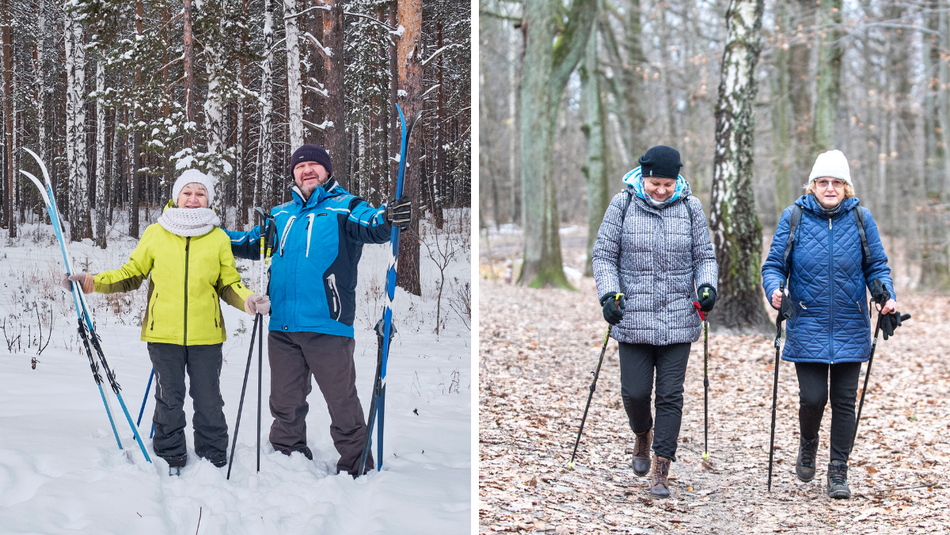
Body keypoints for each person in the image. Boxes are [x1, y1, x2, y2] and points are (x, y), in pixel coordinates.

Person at [63, 169, 269, 473]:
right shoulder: (156, 233)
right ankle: (170, 452)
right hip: (163, 335)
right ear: (176, 197)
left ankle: (213, 452)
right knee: (169, 398)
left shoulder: (217, 237)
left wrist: (248, 300)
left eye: (200, 193)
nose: (193, 199)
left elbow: (228, 283)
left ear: (208, 200)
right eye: (187, 192)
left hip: (206, 336)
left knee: (208, 398)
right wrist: (91, 281)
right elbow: (130, 275)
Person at [225, 144, 411, 477]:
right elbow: (249, 243)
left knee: (342, 402)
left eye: (314, 165)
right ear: (293, 172)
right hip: (282, 327)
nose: (307, 170)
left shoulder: (345, 207)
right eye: (301, 166)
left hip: (328, 325)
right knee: (284, 401)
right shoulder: (280, 215)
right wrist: (206, 233)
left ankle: (356, 465)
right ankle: (287, 453)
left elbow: (374, 225)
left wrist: (388, 217)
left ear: (326, 171)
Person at [761, 149, 903, 499]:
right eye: (822, 182)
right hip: (806, 321)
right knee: (812, 398)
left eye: (836, 182)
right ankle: (808, 442)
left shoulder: (860, 218)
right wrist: (775, 290)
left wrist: (885, 296)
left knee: (844, 402)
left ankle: (838, 469)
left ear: (846, 187)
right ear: (812, 185)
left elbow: (877, 267)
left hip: (850, 323)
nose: (829, 188)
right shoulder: (793, 216)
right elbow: (774, 267)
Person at [591, 145, 718, 498]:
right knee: (635, 393)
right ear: (642, 178)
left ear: (677, 180)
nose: (661, 190)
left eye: (668, 183)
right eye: (655, 183)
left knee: (670, 395)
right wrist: (609, 295)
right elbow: (603, 255)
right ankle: (642, 433)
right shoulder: (623, 204)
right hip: (633, 315)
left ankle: (662, 468)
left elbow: (705, 256)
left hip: (679, 316)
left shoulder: (691, 208)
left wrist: (707, 286)